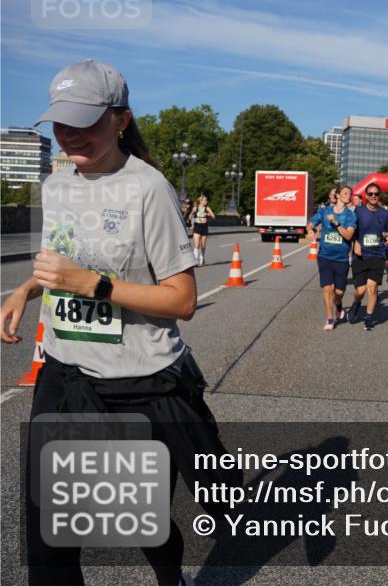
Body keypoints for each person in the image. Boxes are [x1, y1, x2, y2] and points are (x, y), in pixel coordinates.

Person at [1, 59, 228, 586]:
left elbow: (182, 300)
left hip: (137, 382)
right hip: (64, 375)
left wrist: (94, 285)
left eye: (85, 121)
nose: (70, 134)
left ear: (121, 119)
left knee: (137, 518)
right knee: (48, 534)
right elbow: (60, 258)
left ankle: (169, 573)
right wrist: (27, 288)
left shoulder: (149, 189)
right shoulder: (57, 185)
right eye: (60, 122)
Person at [307, 186, 357, 331]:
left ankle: (339, 304)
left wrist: (336, 223)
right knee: (328, 288)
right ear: (338, 195)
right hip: (325, 256)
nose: (348, 195)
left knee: (339, 292)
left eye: (350, 194)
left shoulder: (351, 215)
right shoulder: (324, 211)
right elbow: (310, 224)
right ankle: (330, 318)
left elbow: (349, 235)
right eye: (345, 193)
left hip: (341, 258)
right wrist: (310, 231)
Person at [347, 182, 388, 331]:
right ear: (366, 196)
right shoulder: (358, 211)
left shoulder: (385, 214)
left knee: (372, 287)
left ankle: (368, 317)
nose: (374, 196)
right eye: (371, 194)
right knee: (360, 290)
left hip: (378, 254)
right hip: (360, 255)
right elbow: (351, 231)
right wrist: (355, 242)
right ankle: (356, 303)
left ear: (379, 196)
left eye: (376, 194)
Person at [187, 194, 215, 266]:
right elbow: (190, 217)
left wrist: (208, 214)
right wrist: (191, 216)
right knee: (196, 245)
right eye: (205, 200)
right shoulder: (195, 208)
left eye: (206, 200)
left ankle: (202, 257)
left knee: (203, 245)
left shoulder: (207, 208)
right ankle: (195, 260)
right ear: (201, 201)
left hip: (204, 227)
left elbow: (213, 216)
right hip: (197, 226)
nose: (206, 201)